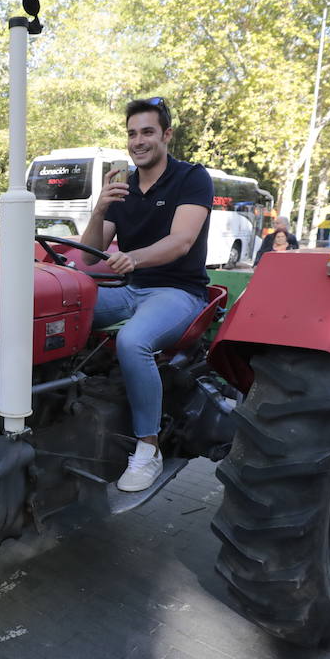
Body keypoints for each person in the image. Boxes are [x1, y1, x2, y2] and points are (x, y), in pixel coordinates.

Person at [81, 97, 211, 492]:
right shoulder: (123, 189)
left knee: (133, 340)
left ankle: (148, 449)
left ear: (166, 135)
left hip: (178, 292)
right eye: (132, 133)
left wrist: (133, 258)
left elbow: (181, 241)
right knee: (58, 313)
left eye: (148, 132)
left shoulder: (191, 178)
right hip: (131, 291)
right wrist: (100, 209)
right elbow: (89, 258)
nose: (139, 141)